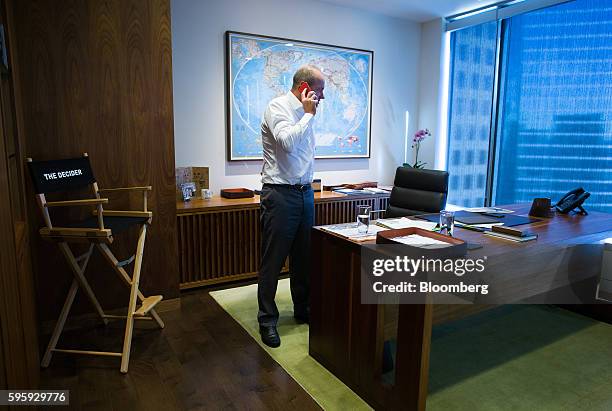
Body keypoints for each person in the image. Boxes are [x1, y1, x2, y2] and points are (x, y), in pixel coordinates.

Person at [257, 65, 325, 348]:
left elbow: (303, 154)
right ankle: (267, 320)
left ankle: (303, 309)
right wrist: (308, 114)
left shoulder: (306, 114)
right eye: (319, 91)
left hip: (304, 193)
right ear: (304, 88)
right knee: (273, 260)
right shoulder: (278, 107)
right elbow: (286, 143)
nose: (322, 98)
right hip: (280, 194)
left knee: (304, 257)